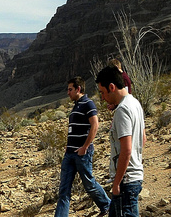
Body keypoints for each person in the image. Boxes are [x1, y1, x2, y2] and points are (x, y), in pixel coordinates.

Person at [55, 77, 110, 217]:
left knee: (89, 184)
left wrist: (85, 147)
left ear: (78, 89)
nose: (68, 93)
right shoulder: (76, 105)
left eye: (70, 89)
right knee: (64, 190)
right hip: (69, 154)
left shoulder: (88, 103)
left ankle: (107, 206)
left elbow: (95, 125)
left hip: (82, 154)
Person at [97, 65, 145, 217]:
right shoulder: (135, 103)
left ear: (112, 87)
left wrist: (117, 182)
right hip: (133, 177)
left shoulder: (122, 110)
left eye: (103, 93)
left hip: (127, 181)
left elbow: (127, 149)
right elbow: (142, 139)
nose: (103, 98)